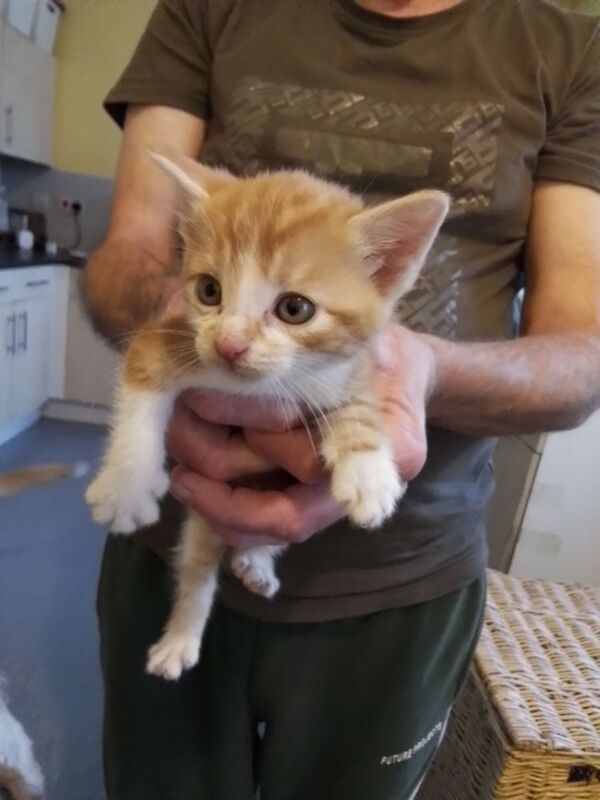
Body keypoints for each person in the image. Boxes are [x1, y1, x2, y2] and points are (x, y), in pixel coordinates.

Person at [86, 1, 600, 798]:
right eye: (218, 294)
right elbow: (132, 251)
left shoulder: (572, 44)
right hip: (171, 539)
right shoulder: (206, 7)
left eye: (290, 309)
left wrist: (421, 370)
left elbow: (585, 354)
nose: (233, 339)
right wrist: (183, 332)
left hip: (404, 581)